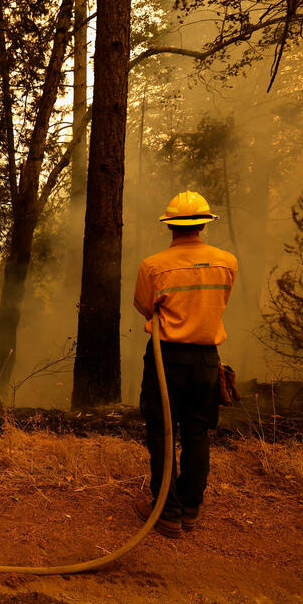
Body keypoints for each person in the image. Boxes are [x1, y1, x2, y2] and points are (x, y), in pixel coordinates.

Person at [132, 190, 237, 538]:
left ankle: (167, 512)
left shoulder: (153, 266)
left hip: (167, 359)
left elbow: (146, 307)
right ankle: (190, 508)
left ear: (171, 226)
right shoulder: (227, 262)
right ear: (204, 225)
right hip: (207, 360)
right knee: (197, 433)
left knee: (163, 432)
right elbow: (219, 302)